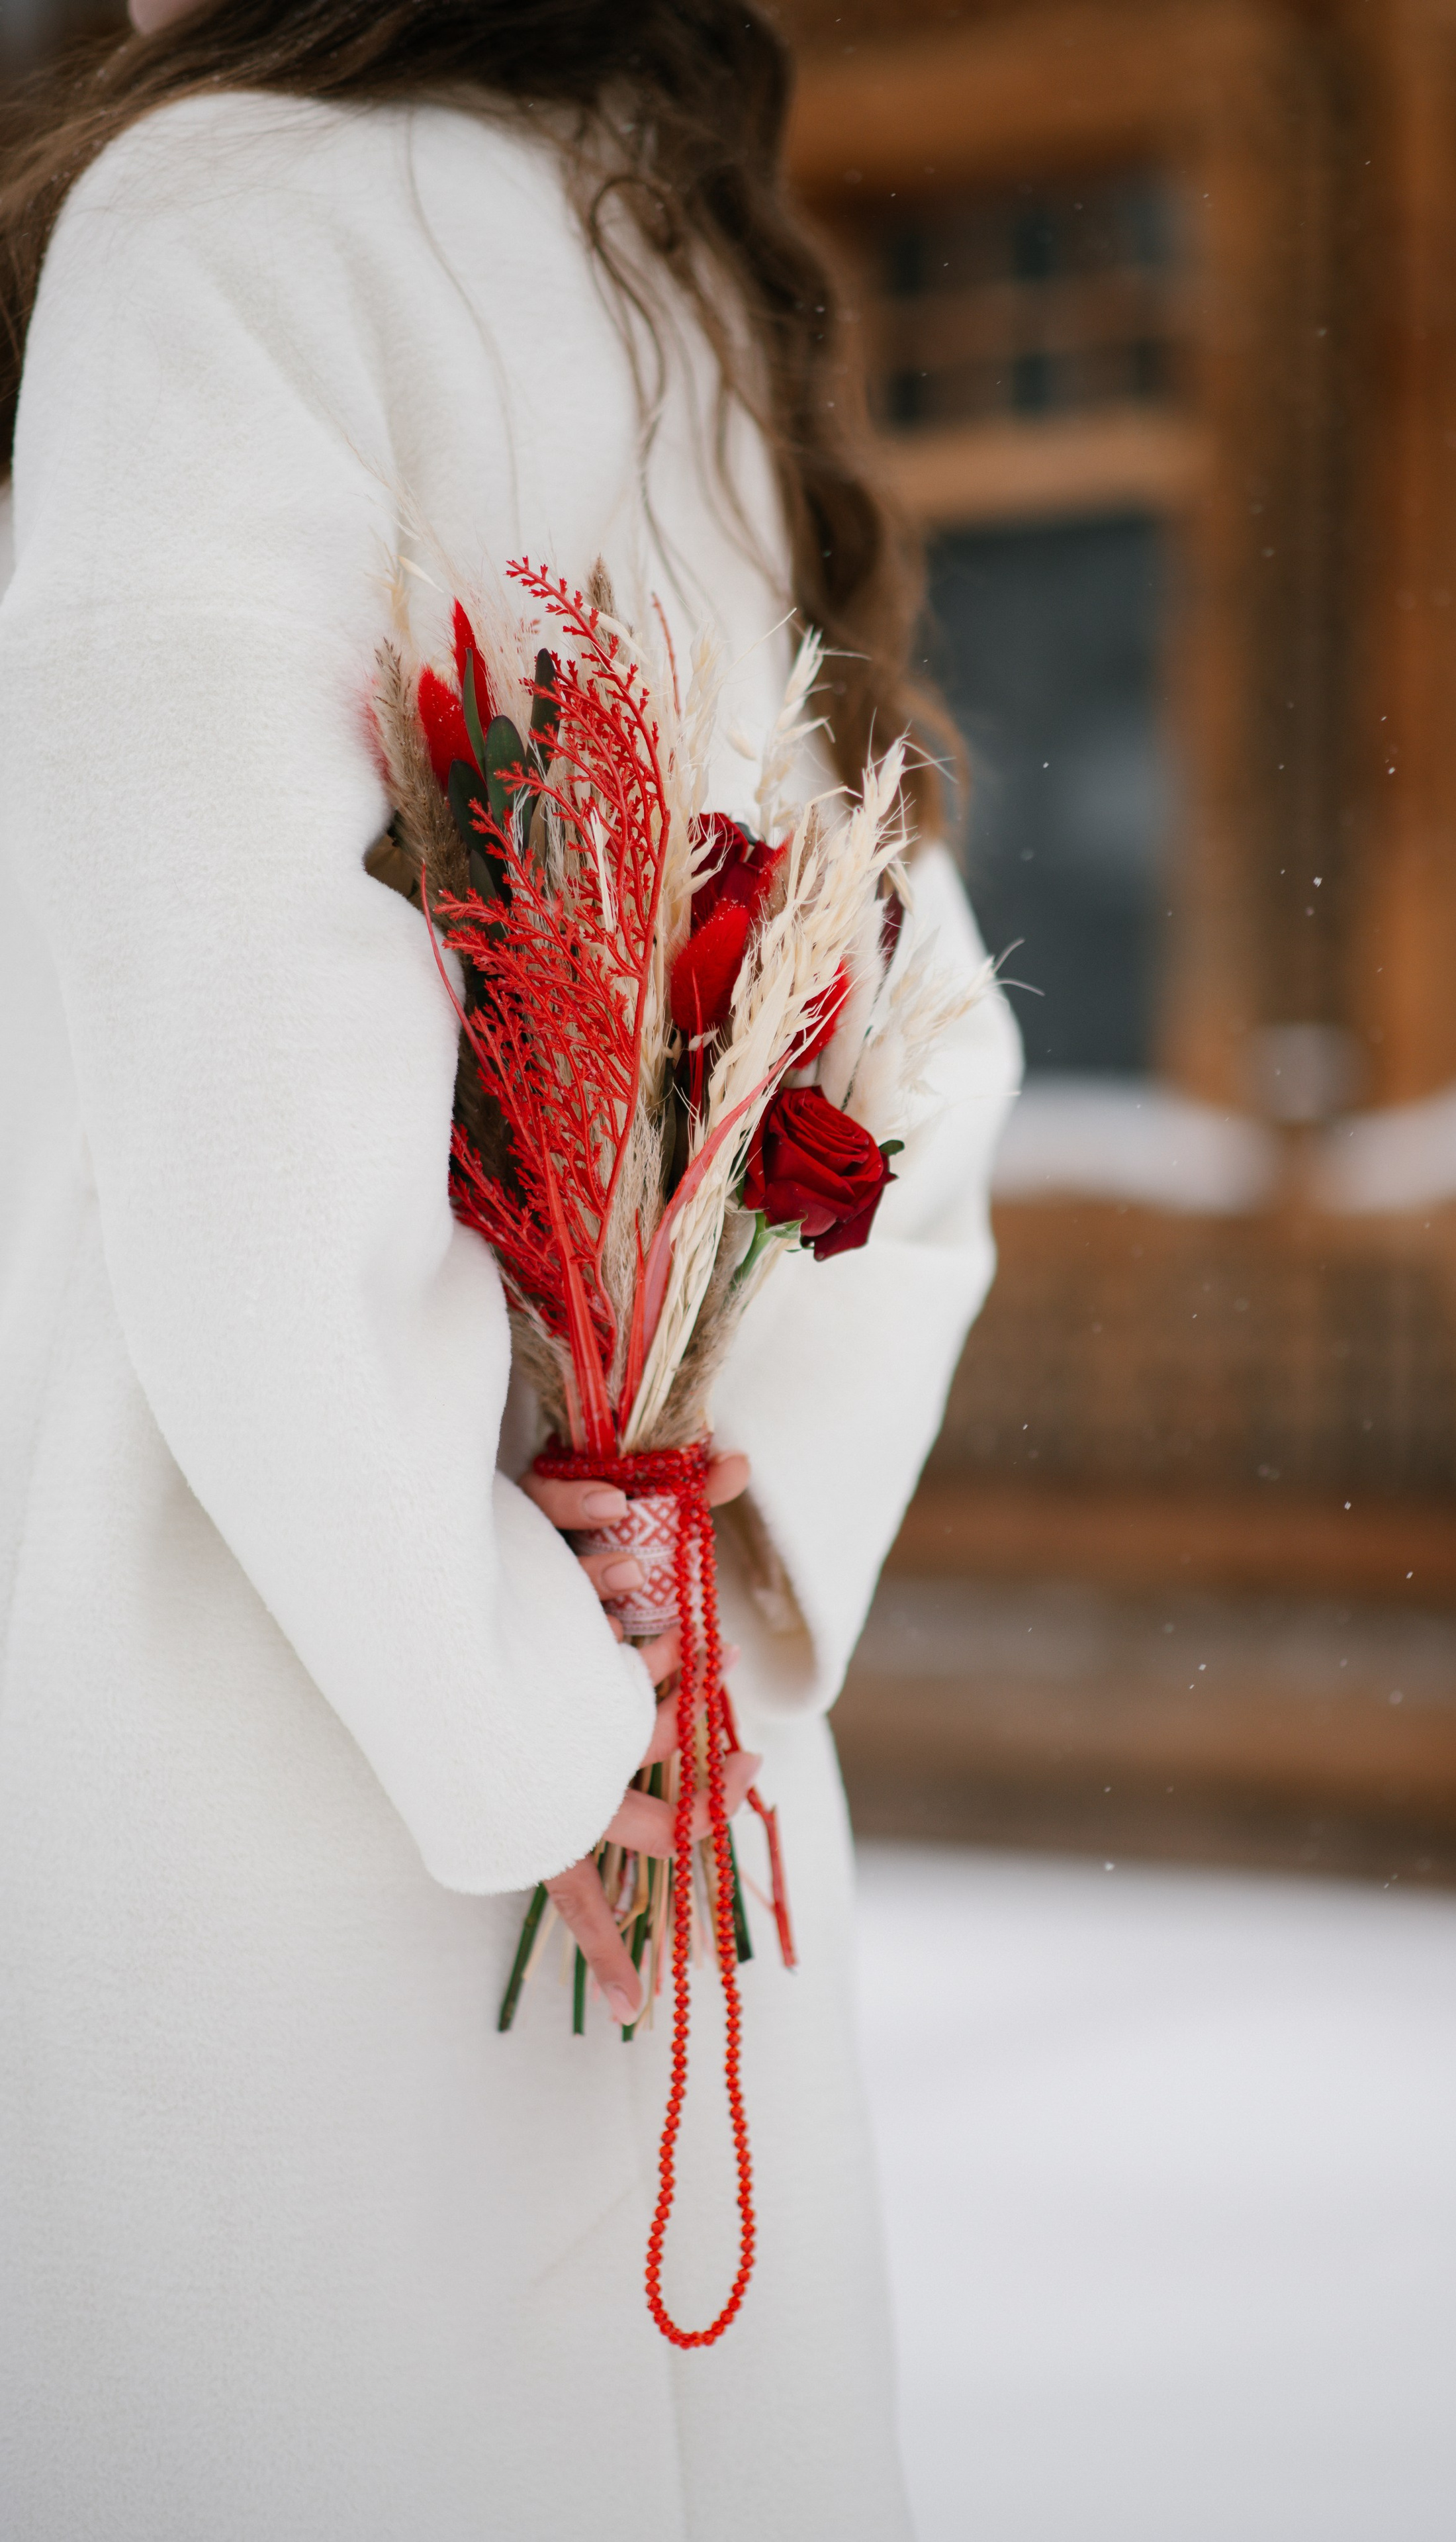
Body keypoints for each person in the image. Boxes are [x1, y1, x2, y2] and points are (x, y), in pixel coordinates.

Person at [0, 3, 1021, 2536]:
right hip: (667, 1763)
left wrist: (522, 1719)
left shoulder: (216, 225)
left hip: (265, 1711)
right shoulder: (667, 280)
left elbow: (238, 1081)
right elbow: (916, 1047)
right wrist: (699, 1609)